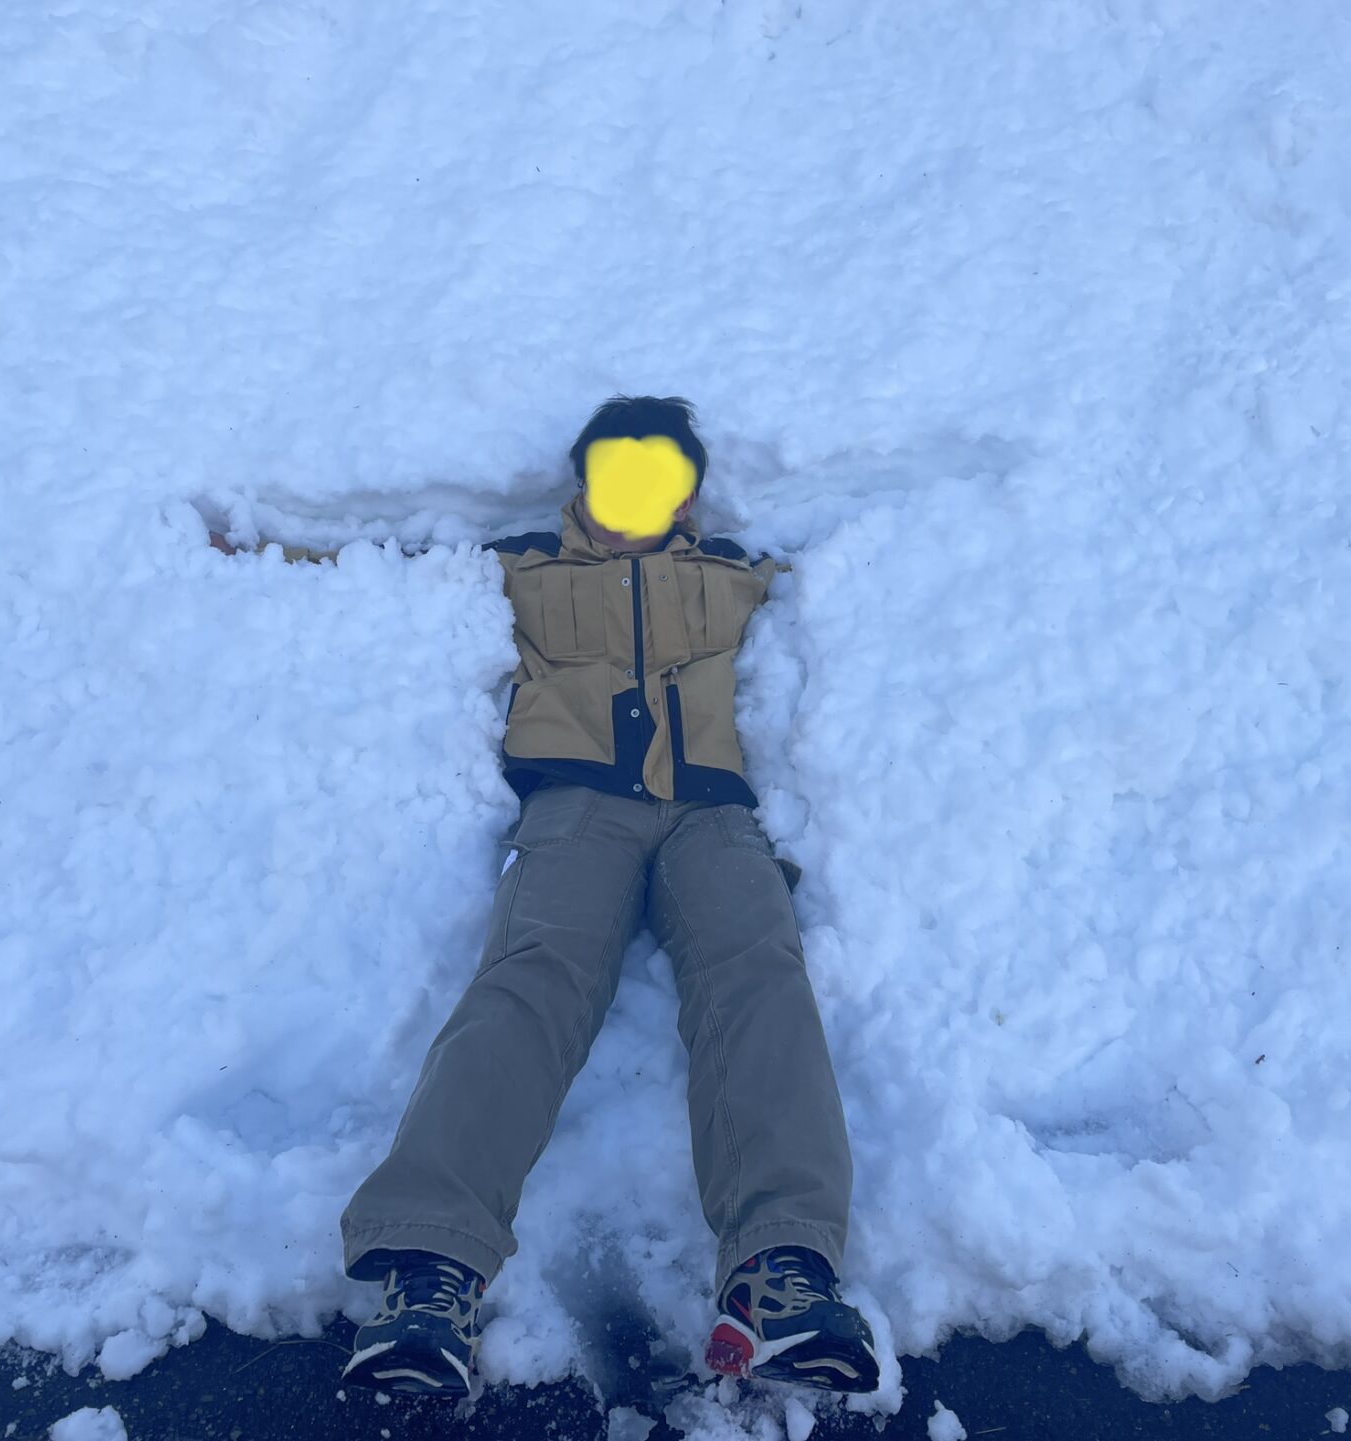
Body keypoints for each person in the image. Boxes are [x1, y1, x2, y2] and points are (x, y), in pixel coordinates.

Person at [209, 396, 879, 1397]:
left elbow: (902, 571)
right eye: (614, 474)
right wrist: (259, 546)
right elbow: (385, 570)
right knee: (531, 987)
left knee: (760, 979)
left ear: (688, 491)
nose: (631, 498)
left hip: (713, 815)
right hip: (577, 811)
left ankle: (782, 1272)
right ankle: (431, 1274)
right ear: (584, 482)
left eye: (655, 478)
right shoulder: (525, 565)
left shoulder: (736, 575)